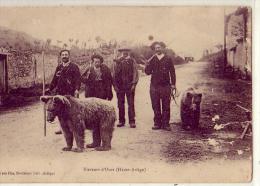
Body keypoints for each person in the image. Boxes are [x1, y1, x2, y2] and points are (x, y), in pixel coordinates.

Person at [80, 54, 113, 149]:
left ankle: (105, 143)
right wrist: (87, 79)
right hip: (91, 95)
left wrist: (109, 94)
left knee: (103, 120)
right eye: (95, 61)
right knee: (93, 120)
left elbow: (109, 82)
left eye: (98, 61)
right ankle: (95, 142)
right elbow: (81, 78)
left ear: (101, 62)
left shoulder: (105, 69)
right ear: (92, 61)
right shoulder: (89, 69)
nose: (97, 63)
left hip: (101, 95)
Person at [47, 49, 81, 134]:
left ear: (69, 56)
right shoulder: (59, 67)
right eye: (63, 55)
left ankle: (73, 127)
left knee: (71, 110)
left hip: (70, 92)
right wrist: (50, 88)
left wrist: (77, 89)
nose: (64, 56)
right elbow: (54, 80)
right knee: (59, 110)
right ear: (61, 56)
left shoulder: (74, 67)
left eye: (66, 54)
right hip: (60, 93)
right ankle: (62, 128)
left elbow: (78, 79)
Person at [144, 41, 176, 131]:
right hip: (154, 86)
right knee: (155, 105)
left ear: (162, 48)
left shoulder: (168, 58)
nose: (157, 49)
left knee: (166, 105)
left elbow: (172, 72)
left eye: (159, 47)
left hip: (166, 86)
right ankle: (157, 123)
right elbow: (147, 72)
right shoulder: (152, 59)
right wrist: (146, 65)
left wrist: (173, 84)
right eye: (156, 48)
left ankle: (166, 124)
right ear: (154, 49)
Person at [113, 48, 139, 128]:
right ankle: (121, 121)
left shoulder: (132, 61)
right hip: (120, 86)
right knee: (120, 104)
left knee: (130, 104)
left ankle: (132, 121)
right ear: (120, 52)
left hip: (129, 86)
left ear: (128, 52)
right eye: (122, 51)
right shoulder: (117, 61)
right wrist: (115, 85)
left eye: (126, 51)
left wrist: (134, 84)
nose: (124, 53)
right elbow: (113, 74)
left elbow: (135, 72)